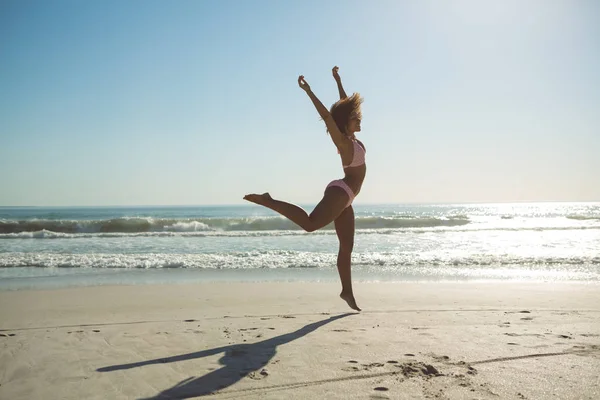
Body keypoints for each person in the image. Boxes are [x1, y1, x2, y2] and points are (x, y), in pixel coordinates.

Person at [244, 66, 366, 311]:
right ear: (345, 123)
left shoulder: (353, 139)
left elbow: (344, 109)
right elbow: (331, 117)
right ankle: (269, 200)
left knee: (347, 247)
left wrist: (338, 81)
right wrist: (309, 91)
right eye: (354, 118)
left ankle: (347, 292)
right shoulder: (342, 141)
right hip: (340, 192)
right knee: (310, 224)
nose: (359, 119)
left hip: (348, 197)